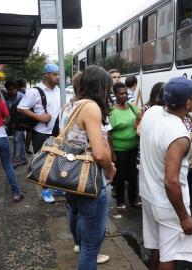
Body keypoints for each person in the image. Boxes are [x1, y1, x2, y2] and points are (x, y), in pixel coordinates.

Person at [139, 77, 192, 270]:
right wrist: (184, 216)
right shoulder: (178, 135)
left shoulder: (152, 112)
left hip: (149, 197)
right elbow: (171, 181)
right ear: (188, 102)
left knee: (158, 248)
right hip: (168, 205)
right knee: (170, 255)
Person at [61, 65, 116, 269]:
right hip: (89, 181)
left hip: (69, 176)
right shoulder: (91, 107)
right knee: (91, 247)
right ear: (100, 86)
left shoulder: (70, 105)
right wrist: (110, 169)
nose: (109, 92)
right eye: (108, 87)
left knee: (82, 227)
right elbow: (99, 152)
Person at [17, 63, 61, 203]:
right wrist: (39, 117)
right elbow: (21, 108)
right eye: (55, 74)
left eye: (58, 74)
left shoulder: (59, 91)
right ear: (46, 75)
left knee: (57, 161)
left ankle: (56, 186)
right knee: (43, 162)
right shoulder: (35, 91)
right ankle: (45, 190)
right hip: (41, 132)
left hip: (57, 132)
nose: (58, 77)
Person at [109, 82, 141, 212]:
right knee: (120, 176)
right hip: (119, 150)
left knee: (133, 175)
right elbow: (108, 135)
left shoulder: (131, 107)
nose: (124, 96)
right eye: (121, 93)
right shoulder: (112, 112)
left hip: (133, 148)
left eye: (126, 93)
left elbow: (139, 119)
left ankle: (133, 200)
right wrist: (112, 153)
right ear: (115, 95)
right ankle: (120, 202)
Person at [0, 78, 24, 204]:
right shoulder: (0, 102)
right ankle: (16, 194)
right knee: (8, 166)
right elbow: (7, 119)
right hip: (0, 136)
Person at [4, 79, 28, 168]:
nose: (9, 92)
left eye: (11, 89)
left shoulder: (22, 97)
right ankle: (24, 158)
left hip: (22, 123)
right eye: (8, 90)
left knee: (16, 140)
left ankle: (17, 159)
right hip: (13, 123)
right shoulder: (7, 99)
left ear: (16, 88)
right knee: (19, 140)